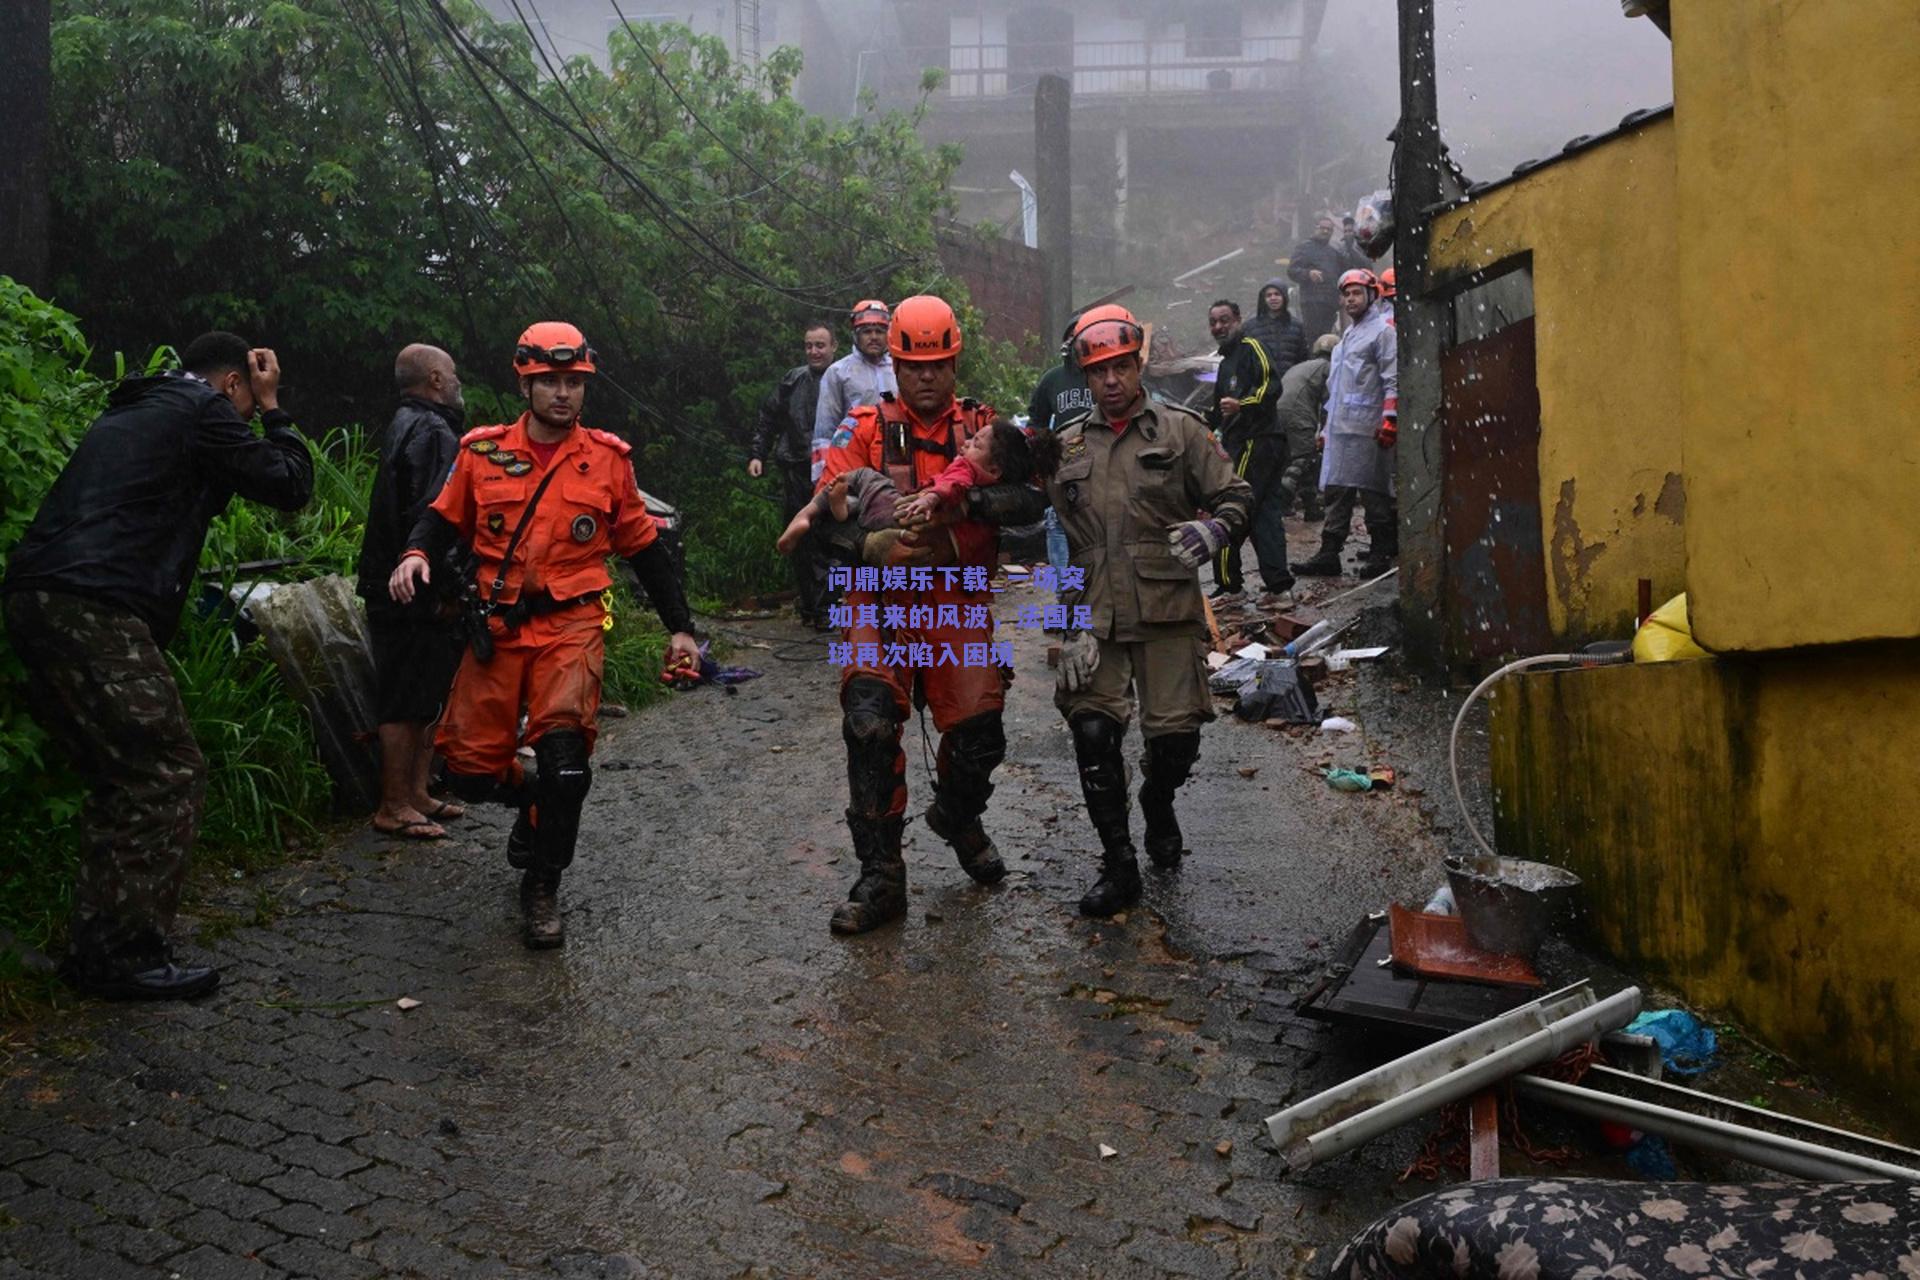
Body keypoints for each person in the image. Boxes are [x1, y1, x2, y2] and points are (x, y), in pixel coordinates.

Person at [2, 333, 314, 1000]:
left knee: (122, 774)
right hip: (96, 603)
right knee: (167, 771)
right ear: (232, 382)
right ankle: (124, 957)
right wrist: (273, 406)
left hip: (36, 595)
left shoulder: (134, 407)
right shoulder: (202, 409)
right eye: (245, 395)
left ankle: (99, 948)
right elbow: (290, 484)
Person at [388, 322, 699, 949]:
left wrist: (681, 629)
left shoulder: (607, 461)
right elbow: (440, 518)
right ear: (524, 382)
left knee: (565, 767)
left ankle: (541, 885)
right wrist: (414, 554)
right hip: (496, 627)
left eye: (572, 383)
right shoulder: (481, 453)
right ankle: (531, 801)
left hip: (572, 625)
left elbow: (645, 551)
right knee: (468, 773)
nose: (562, 394)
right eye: (549, 382)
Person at [813, 295, 1046, 935]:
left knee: (979, 739)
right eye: (913, 363)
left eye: (937, 364)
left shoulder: (986, 426)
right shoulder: (861, 427)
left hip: (956, 597)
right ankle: (882, 876)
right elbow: (823, 518)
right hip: (879, 600)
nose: (925, 377)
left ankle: (959, 815)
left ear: (954, 362)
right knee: (868, 725)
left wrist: (962, 504)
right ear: (894, 360)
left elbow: (1030, 501)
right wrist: (867, 544)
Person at [1044, 305, 1253, 918]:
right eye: (1098, 370)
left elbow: (1235, 494)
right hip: (1097, 620)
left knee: (1175, 744)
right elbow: (1049, 528)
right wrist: (1069, 616)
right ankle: (1118, 867)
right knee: (1091, 734)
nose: (1110, 380)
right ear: (1085, 377)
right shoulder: (1067, 445)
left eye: (1120, 367)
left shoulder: (1182, 431)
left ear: (1138, 365)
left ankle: (1158, 801)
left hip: (1166, 611)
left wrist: (1216, 528)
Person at [355, 344, 470, 842]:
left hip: (404, 584)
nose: (459, 381)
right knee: (404, 695)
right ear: (436, 381)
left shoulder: (409, 421)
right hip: (409, 588)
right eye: (453, 374)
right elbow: (431, 516)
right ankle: (394, 803)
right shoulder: (431, 430)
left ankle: (418, 793)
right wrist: (445, 588)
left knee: (428, 690)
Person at [1297, 271, 1398, 578]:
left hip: (1370, 427)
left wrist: (1390, 419)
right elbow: (1336, 390)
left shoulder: (1383, 333)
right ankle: (1329, 553)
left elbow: (1392, 378)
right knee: (1336, 491)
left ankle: (1381, 552)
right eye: (1347, 294)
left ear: (1371, 295)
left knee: (1374, 491)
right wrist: (1326, 429)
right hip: (1341, 429)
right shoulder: (1344, 341)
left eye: (1357, 293)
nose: (1351, 299)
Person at [1204, 300, 1292, 605]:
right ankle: (1279, 587)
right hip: (1247, 441)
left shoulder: (1252, 347)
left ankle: (1230, 586)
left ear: (1239, 319)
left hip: (1257, 440)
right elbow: (1217, 410)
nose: (1219, 327)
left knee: (1233, 505)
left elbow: (1272, 384)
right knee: (1264, 512)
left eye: (1224, 320)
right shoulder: (1226, 361)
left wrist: (1244, 404)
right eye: (1213, 322)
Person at [749, 322, 835, 628]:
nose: (814, 351)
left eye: (820, 345)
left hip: (836, 472)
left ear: (833, 347)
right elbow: (768, 416)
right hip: (797, 468)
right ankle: (812, 606)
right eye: (809, 345)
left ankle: (830, 607)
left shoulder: (843, 378)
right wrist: (758, 453)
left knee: (834, 540)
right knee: (802, 539)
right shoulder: (793, 380)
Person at [1025, 316, 1095, 583]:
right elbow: (1036, 419)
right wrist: (1043, 452)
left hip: (1100, 466)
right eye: (1070, 336)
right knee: (1058, 526)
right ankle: (1066, 602)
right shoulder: (1052, 379)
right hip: (1063, 469)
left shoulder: (1099, 374)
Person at [810, 299, 896, 483]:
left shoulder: (901, 369)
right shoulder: (838, 372)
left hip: (897, 456)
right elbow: (824, 431)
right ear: (856, 335)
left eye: (880, 331)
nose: (873, 337)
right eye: (866, 331)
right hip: (853, 458)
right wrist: (821, 479)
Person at [1276, 333, 1339, 520]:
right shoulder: (1329, 368)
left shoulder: (1300, 366)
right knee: (1303, 461)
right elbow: (1329, 403)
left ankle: (1310, 509)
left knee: (1294, 460)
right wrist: (1325, 430)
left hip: (1277, 413)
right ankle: (1279, 503)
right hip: (1299, 415)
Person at [1287, 216, 1364, 340]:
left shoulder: (1334, 252)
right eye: (1322, 228)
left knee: (1327, 338)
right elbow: (1292, 271)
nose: (1325, 231)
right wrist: (1308, 274)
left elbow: (1343, 274)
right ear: (1315, 228)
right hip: (1311, 303)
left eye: (1329, 229)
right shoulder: (1304, 248)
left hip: (1330, 304)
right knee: (1313, 338)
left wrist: (1342, 293)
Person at [1242, 278, 1308, 376]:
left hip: (1289, 383)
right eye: (1269, 295)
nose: (1273, 298)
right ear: (1263, 299)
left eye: (1277, 294)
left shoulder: (1297, 327)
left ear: (1284, 297)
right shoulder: (1250, 327)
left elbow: (1303, 358)